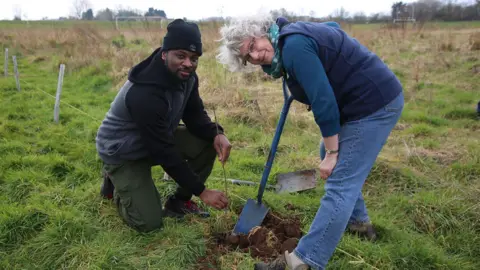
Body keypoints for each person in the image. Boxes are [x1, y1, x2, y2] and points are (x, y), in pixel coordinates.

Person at [217, 15, 404, 270]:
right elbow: (332, 29)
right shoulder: (288, 40)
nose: (255, 56)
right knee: (332, 158)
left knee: (340, 184)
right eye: (247, 57)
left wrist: (333, 151)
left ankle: (304, 261)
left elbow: (323, 101)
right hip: (361, 102)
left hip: (374, 104)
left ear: (260, 32)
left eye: (252, 46)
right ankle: (359, 224)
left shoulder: (292, 46)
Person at [95, 19, 231, 233]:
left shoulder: (188, 78)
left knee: (205, 143)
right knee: (149, 223)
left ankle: (178, 202)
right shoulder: (145, 93)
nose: (188, 63)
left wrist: (216, 133)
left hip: (156, 138)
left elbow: (194, 113)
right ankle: (116, 182)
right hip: (122, 151)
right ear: (164, 53)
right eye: (181, 55)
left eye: (194, 58)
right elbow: (163, 151)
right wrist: (203, 191)